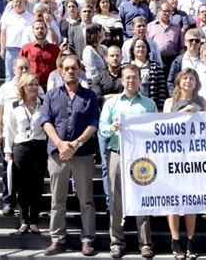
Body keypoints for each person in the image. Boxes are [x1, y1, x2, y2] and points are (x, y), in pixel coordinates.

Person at [41, 54, 99, 256]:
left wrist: (76, 143)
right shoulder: (51, 96)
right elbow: (46, 121)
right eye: (66, 68)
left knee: (86, 200)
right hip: (58, 155)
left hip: (82, 154)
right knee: (57, 200)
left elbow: (93, 124)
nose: (70, 71)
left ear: (80, 70)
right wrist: (60, 144)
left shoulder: (90, 96)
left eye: (74, 68)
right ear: (60, 71)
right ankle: (57, 240)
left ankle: (87, 240)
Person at [99, 64, 157, 258]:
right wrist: (112, 128)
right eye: (127, 78)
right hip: (117, 153)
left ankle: (145, 243)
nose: (131, 81)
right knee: (115, 200)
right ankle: (116, 242)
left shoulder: (149, 104)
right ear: (122, 80)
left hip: (141, 156)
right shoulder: (112, 104)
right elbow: (101, 128)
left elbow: (156, 130)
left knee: (143, 199)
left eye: (134, 77)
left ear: (140, 79)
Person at [163, 68, 206, 259]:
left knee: (191, 199)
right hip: (173, 156)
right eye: (185, 78)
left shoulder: (202, 101)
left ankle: (190, 240)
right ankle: (175, 240)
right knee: (173, 200)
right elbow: (163, 126)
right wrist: (183, 113)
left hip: (194, 156)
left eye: (192, 78)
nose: (188, 81)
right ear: (179, 81)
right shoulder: (169, 102)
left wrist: (196, 112)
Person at [0, 57, 44, 216]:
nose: (23, 70)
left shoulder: (37, 87)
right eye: (20, 68)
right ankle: (8, 201)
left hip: (30, 137)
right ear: (13, 69)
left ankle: (29, 207)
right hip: (10, 135)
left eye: (26, 67)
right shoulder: (5, 88)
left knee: (28, 174)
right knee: (8, 170)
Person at [4, 72, 47, 235]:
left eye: (36, 85)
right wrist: (8, 152)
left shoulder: (43, 104)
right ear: (23, 87)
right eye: (31, 85)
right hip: (21, 146)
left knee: (36, 185)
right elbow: (9, 130)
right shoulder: (15, 106)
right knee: (22, 185)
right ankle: (23, 220)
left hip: (39, 146)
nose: (35, 88)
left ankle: (34, 221)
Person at [90, 45, 124, 210]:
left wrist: (108, 97)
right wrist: (118, 97)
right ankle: (111, 203)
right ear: (106, 58)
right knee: (106, 165)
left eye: (117, 55)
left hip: (125, 128)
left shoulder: (126, 76)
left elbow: (131, 94)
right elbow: (96, 98)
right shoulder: (99, 77)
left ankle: (125, 201)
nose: (115, 58)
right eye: (111, 55)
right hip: (105, 127)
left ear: (122, 57)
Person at [0, 0, 34, 82]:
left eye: (20, 2)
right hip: (11, 49)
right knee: (10, 75)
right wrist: (2, 49)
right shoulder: (6, 16)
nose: (18, 4)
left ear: (24, 3)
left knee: (25, 75)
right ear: (13, 3)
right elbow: (3, 33)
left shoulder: (31, 17)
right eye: (16, 2)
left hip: (26, 50)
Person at [127, 37, 167, 110]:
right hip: (130, 108)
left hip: (151, 108)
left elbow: (162, 90)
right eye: (138, 47)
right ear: (133, 50)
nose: (141, 49)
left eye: (143, 47)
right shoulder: (126, 68)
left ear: (147, 49)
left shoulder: (156, 67)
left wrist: (160, 108)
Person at [20, 20, 60, 89]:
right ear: (33, 31)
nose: (39, 30)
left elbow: (60, 67)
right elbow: (20, 67)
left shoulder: (55, 49)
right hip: (32, 86)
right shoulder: (26, 48)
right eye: (37, 28)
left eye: (42, 28)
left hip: (51, 86)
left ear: (46, 30)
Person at [147, 1, 183, 77]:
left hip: (172, 61)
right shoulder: (150, 26)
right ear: (159, 11)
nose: (167, 13)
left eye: (169, 11)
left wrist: (179, 61)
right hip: (155, 61)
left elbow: (181, 46)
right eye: (165, 11)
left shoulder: (176, 27)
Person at [167, 29, 203, 96]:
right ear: (185, 42)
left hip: (202, 100)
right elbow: (171, 82)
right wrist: (176, 98)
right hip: (183, 101)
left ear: (200, 43)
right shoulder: (178, 61)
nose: (194, 42)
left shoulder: (205, 60)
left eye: (197, 40)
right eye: (191, 40)